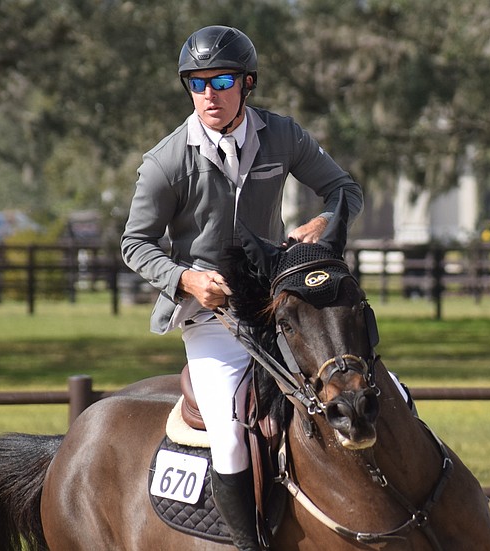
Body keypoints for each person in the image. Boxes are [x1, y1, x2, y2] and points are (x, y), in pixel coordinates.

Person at [120, 25, 363, 551]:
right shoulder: (165, 162)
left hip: (277, 308)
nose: (209, 94)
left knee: (356, 387)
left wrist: (322, 222)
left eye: (222, 80)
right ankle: (249, 545)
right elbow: (135, 245)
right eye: (197, 82)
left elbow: (344, 190)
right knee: (230, 435)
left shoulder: (282, 135)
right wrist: (185, 278)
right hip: (211, 318)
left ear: (246, 83)